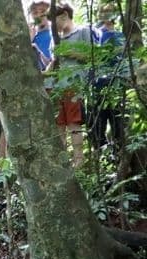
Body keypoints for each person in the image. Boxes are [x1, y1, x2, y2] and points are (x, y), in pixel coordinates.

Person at [51, 3, 95, 167]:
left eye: (54, 21)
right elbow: (53, 64)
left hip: (75, 85)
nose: (53, 26)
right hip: (57, 88)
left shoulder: (82, 31)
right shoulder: (56, 39)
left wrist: (68, 52)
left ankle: (79, 160)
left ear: (64, 16)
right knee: (59, 125)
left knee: (73, 123)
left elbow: (93, 56)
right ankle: (63, 162)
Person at [89, 2, 128, 148]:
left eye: (110, 11)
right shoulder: (95, 34)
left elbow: (124, 58)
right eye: (103, 12)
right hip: (98, 85)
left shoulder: (121, 35)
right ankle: (100, 153)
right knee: (97, 124)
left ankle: (118, 155)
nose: (106, 15)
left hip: (116, 85)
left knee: (117, 122)